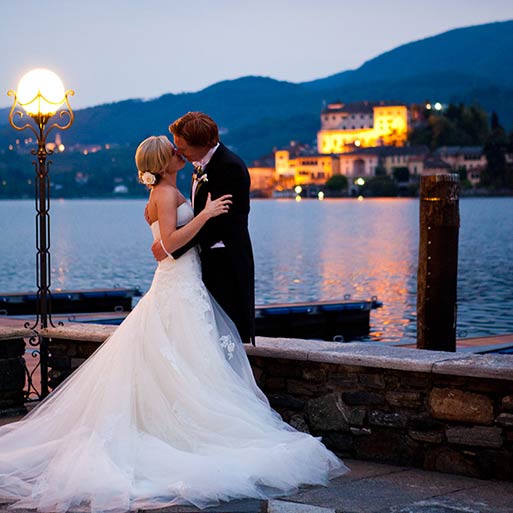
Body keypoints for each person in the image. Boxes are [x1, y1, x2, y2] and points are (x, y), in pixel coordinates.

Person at [0, 135, 348, 513]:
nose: (177, 152)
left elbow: (165, 244)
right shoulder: (165, 195)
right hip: (177, 286)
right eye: (171, 150)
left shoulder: (168, 189)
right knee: (187, 360)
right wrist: (206, 214)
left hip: (185, 283)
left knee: (191, 362)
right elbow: (167, 245)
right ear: (162, 162)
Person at [151, 112, 255, 345]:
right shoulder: (200, 165)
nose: (178, 152)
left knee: (227, 338)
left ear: (203, 144)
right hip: (203, 263)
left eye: (182, 147)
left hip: (225, 264)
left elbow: (217, 224)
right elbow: (200, 215)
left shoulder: (230, 167)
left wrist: (170, 248)